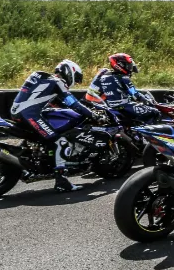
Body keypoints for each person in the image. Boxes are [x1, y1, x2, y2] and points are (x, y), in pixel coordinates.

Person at [9, 59, 104, 193]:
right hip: (30, 114)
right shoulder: (58, 82)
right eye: (75, 78)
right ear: (69, 72)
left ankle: (27, 166)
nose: (75, 83)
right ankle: (62, 181)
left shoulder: (45, 79)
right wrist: (93, 115)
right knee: (60, 141)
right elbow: (73, 103)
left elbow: (57, 102)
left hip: (17, 112)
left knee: (42, 138)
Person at [86, 53, 161, 125]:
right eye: (128, 65)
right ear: (120, 65)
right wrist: (147, 101)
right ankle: (145, 134)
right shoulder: (123, 78)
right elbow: (135, 95)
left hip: (108, 107)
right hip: (124, 107)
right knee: (155, 112)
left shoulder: (102, 76)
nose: (130, 68)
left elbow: (93, 93)